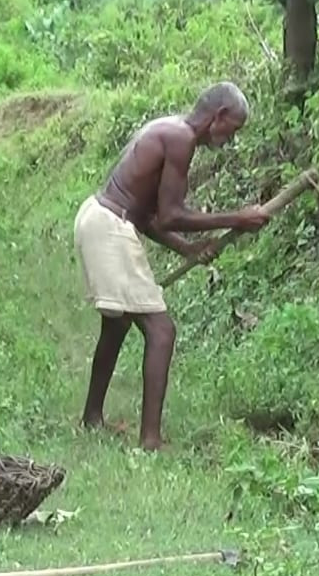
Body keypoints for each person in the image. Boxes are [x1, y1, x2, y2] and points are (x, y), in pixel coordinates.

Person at [72, 81, 270, 451]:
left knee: (117, 325)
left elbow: (150, 216)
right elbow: (171, 215)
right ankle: (150, 440)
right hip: (109, 225)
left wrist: (187, 248)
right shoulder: (181, 138)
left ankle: (92, 418)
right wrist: (237, 218)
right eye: (232, 130)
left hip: (98, 216)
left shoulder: (170, 129)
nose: (230, 140)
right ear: (219, 116)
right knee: (161, 331)